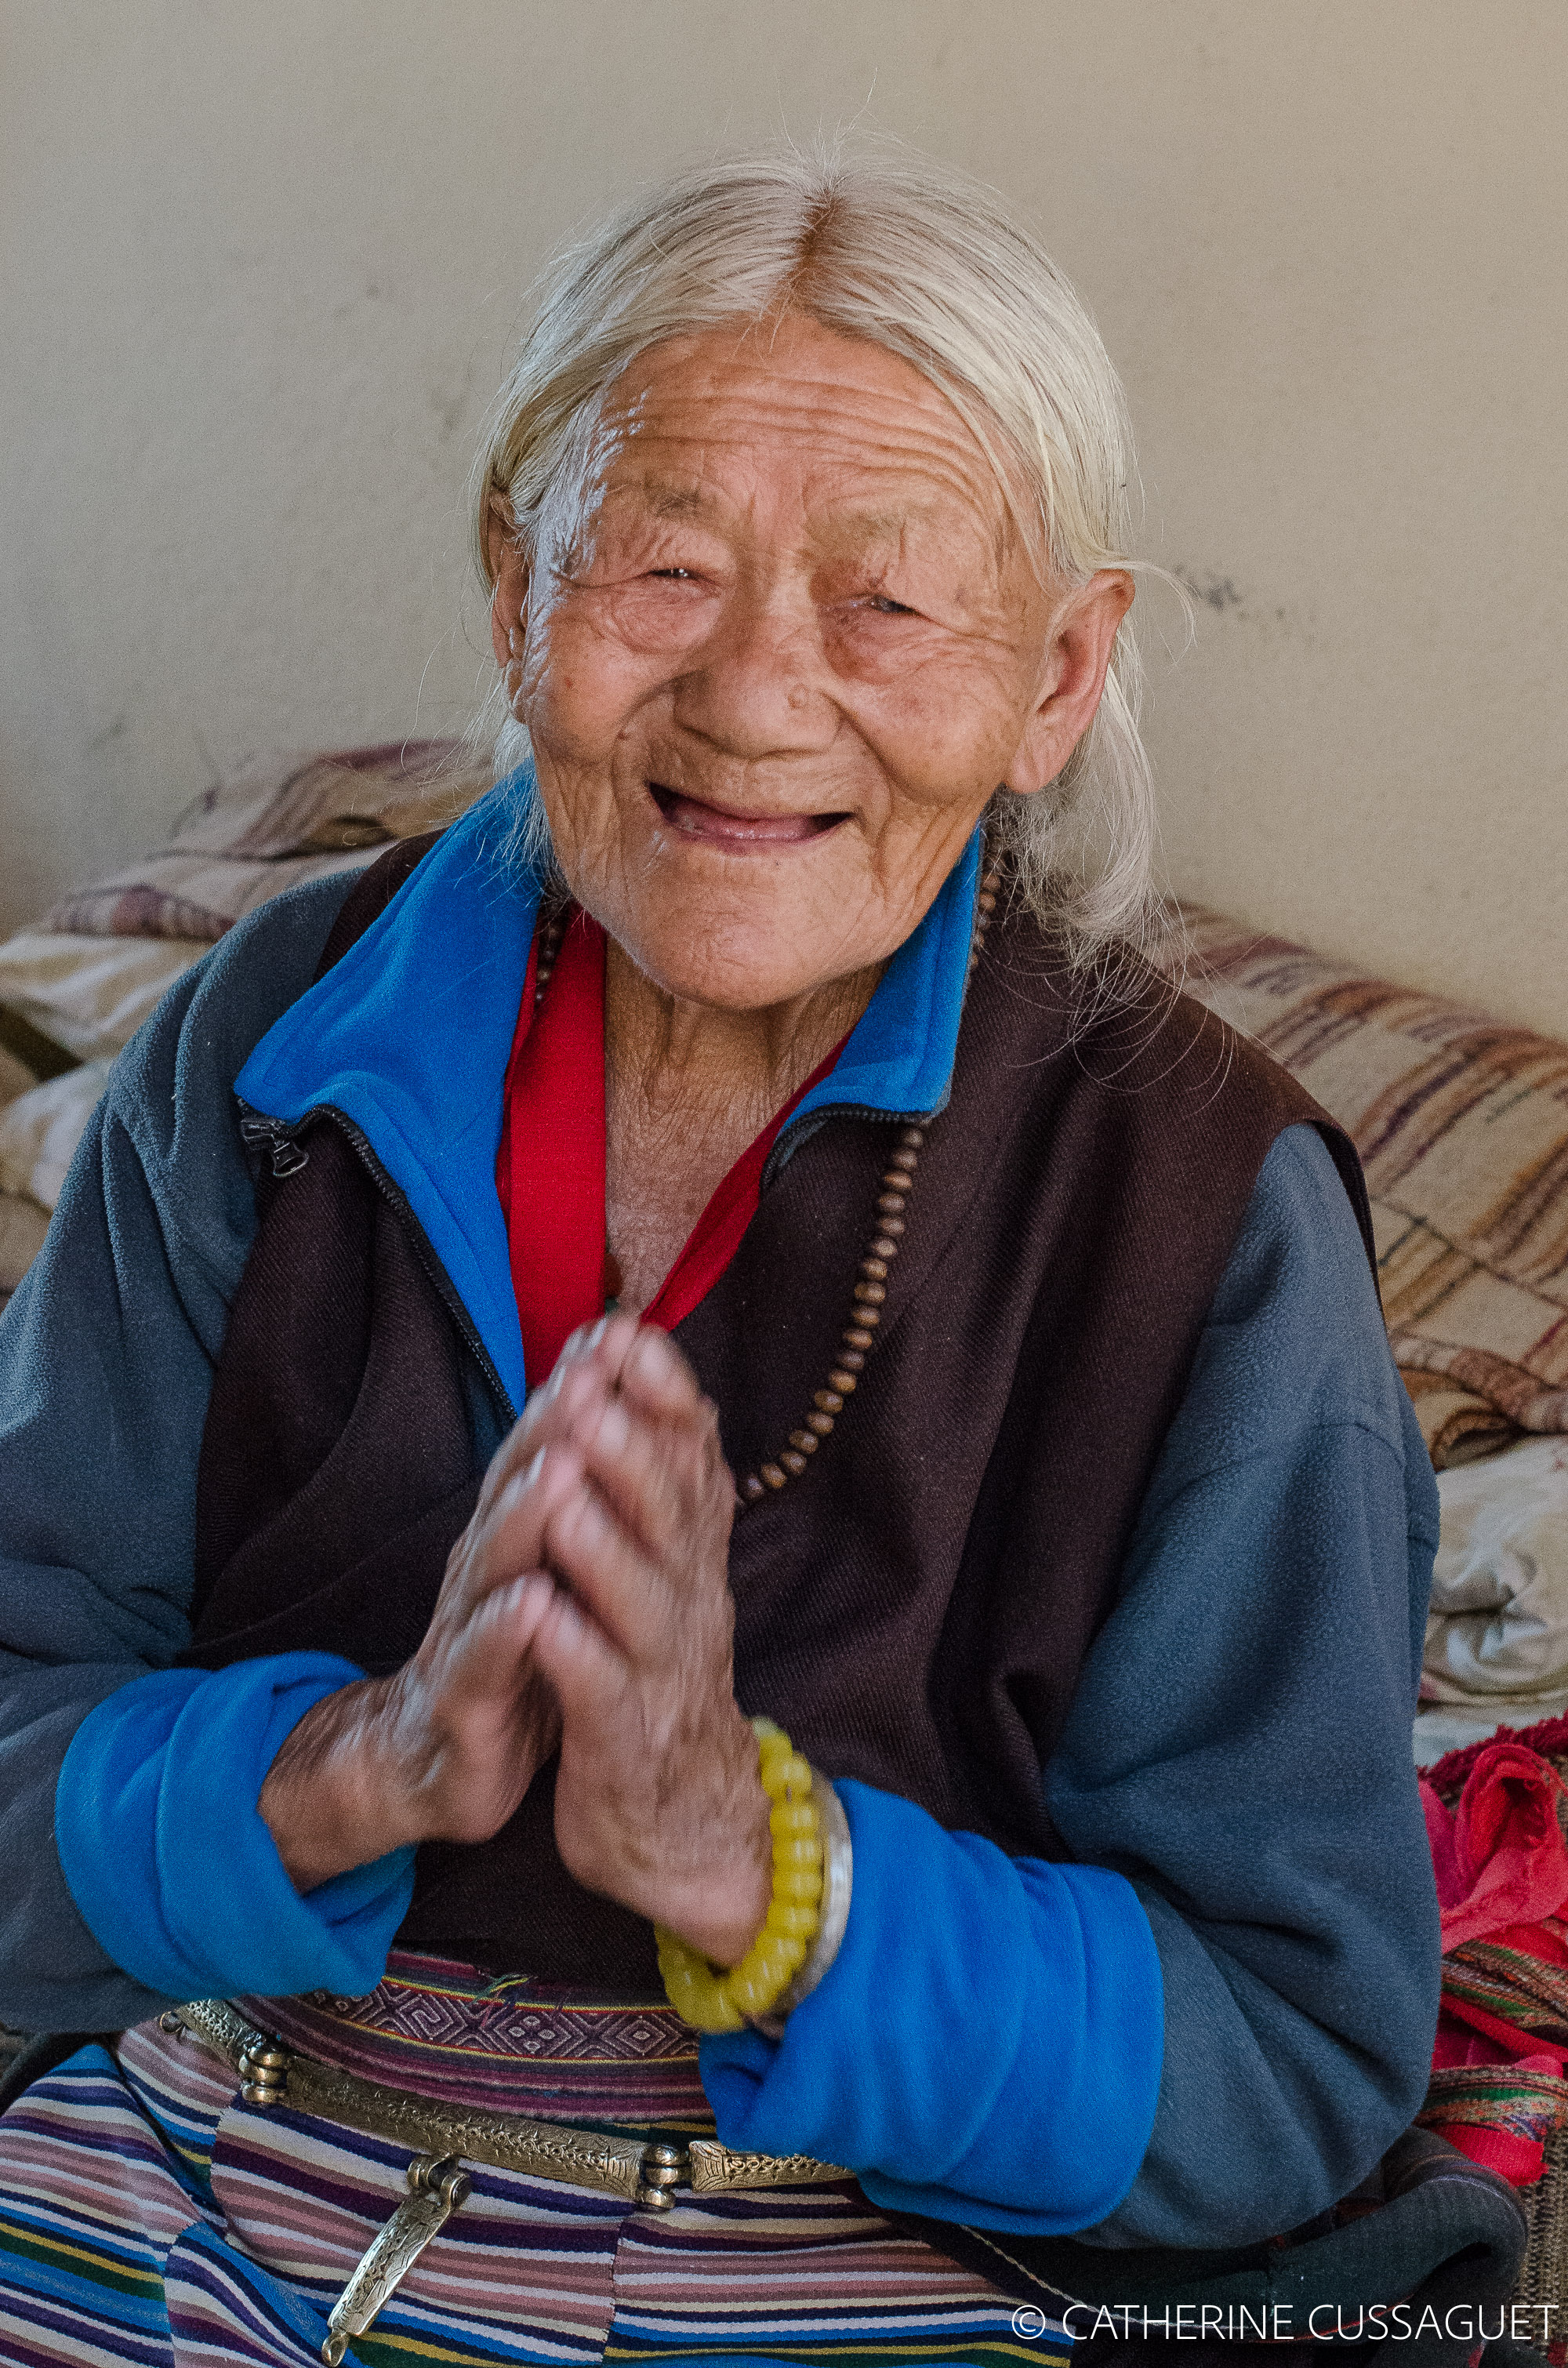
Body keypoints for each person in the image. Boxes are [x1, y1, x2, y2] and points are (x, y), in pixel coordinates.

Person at [0, 147, 1442, 2366]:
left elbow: (1281, 2050)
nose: (761, 696)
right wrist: (347, 1771)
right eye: (661, 566)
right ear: (514, 592)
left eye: (889, 604)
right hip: (194, 2148)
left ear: (1057, 678)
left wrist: (746, 1858)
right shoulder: (269, 1045)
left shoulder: (1200, 1210)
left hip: (836, 2253)